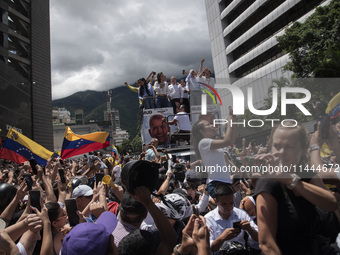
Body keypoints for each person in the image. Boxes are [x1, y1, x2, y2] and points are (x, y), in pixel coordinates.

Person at [255, 121, 337, 254]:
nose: (281, 152)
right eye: (276, 146)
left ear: (304, 149)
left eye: (289, 147)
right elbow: (266, 244)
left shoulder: (306, 173)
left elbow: (330, 203)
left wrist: (291, 180)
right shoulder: (268, 182)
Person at [192, 107, 236, 198]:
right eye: (208, 125)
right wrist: (230, 118)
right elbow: (227, 141)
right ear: (202, 131)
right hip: (216, 183)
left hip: (225, 182)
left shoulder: (210, 142)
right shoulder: (203, 142)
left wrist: (233, 121)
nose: (212, 125)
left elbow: (231, 140)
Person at [205, 184, 258, 253]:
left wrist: (250, 230)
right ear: (216, 201)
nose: (229, 206)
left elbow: (258, 239)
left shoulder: (241, 214)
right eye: (224, 204)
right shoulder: (208, 219)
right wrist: (223, 238)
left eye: (231, 203)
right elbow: (209, 248)